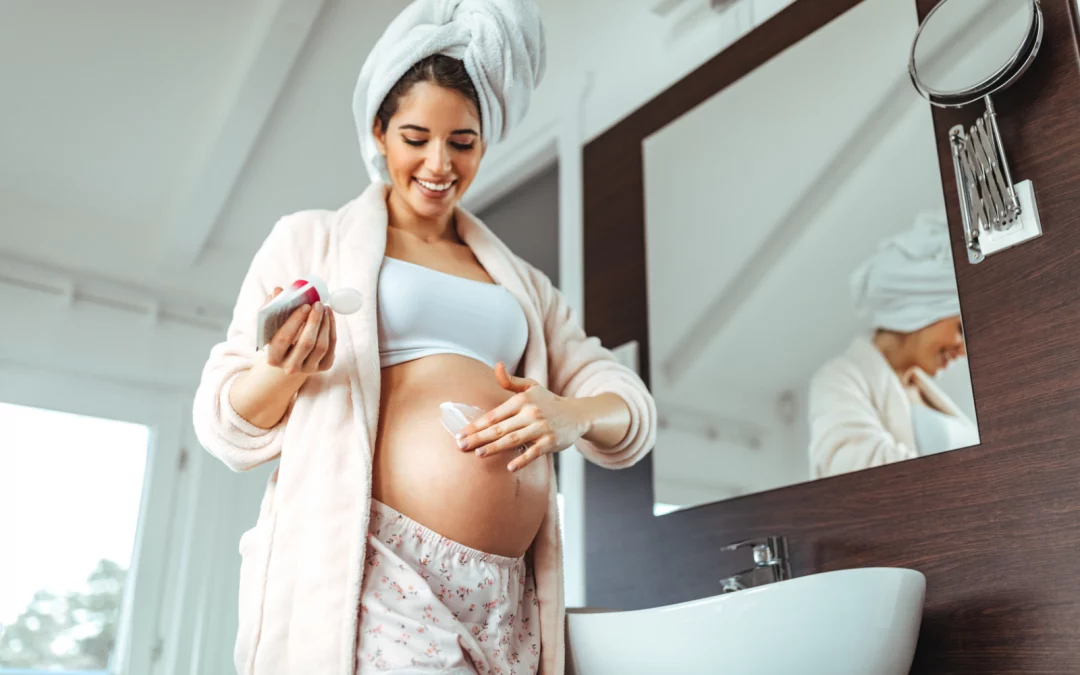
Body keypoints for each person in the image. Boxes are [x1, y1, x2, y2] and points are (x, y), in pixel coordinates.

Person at [191, 1, 656, 673]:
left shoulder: (524, 284)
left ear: (484, 140)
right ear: (379, 132)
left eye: (461, 142)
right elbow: (224, 423)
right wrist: (285, 370)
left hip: (507, 596)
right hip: (379, 572)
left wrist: (571, 414)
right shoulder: (311, 239)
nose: (439, 164)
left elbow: (628, 407)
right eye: (415, 137)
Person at [807, 211, 978, 479]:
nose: (964, 350)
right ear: (920, 308)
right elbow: (853, 471)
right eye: (959, 328)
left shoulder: (924, 389)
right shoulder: (839, 378)